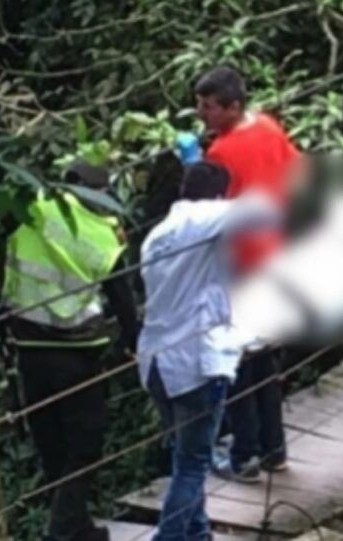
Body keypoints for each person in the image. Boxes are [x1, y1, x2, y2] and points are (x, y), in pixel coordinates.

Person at [138, 161, 277, 540]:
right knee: (193, 463)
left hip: (156, 362)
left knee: (184, 457)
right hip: (195, 362)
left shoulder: (157, 235)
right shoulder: (203, 219)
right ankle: (168, 537)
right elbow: (263, 211)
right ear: (218, 196)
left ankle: (198, 534)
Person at [2, 161, 138, 541]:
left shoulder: (31, 208)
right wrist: (133, 340)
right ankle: (61, 532)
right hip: (76, 353)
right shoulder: (101, 233)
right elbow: (121, 296)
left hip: (27, 349)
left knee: (52, 444)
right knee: (85, 444)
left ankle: (77, 528)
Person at [194, 66, 302, 481]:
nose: (201, 113)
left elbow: (208, 209)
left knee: (236, 360)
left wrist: (194, 167)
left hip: (240, 263)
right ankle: (273, 449)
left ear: (232, 107)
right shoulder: (270, 128)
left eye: (208, 107)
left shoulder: (221, 153)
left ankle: (244, 456)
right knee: (262, 358)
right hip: (274, 255)